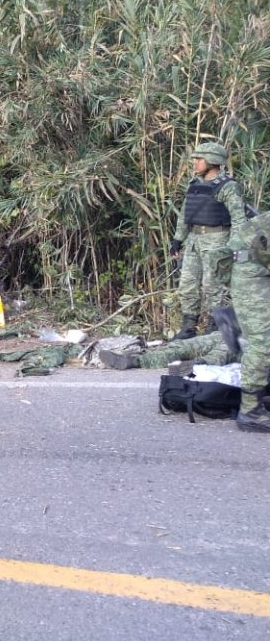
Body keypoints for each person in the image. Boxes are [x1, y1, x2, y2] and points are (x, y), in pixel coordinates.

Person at [169, 142, 246, 340]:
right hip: (193, 241)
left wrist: (232, 248)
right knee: (187, 285)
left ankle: (215, 328)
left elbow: (239, 220)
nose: (195, 162)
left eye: (199, 159)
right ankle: (188, 327)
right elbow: (185, 215)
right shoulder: (194, 184)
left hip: (217, 241)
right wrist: (178, 240)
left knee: (213, 287)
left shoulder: (228, 187)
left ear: (213, 161)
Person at [223, 212, 270, 432]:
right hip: (251, 267)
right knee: (264, 342)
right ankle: (250, 411)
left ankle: (237, 323)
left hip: (260, 260)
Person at [97, 332, 235, 370]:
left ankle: (195, 367)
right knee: (183, 346)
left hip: (253, 341)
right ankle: (133, 360)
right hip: (234, 331)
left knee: (225, 351)